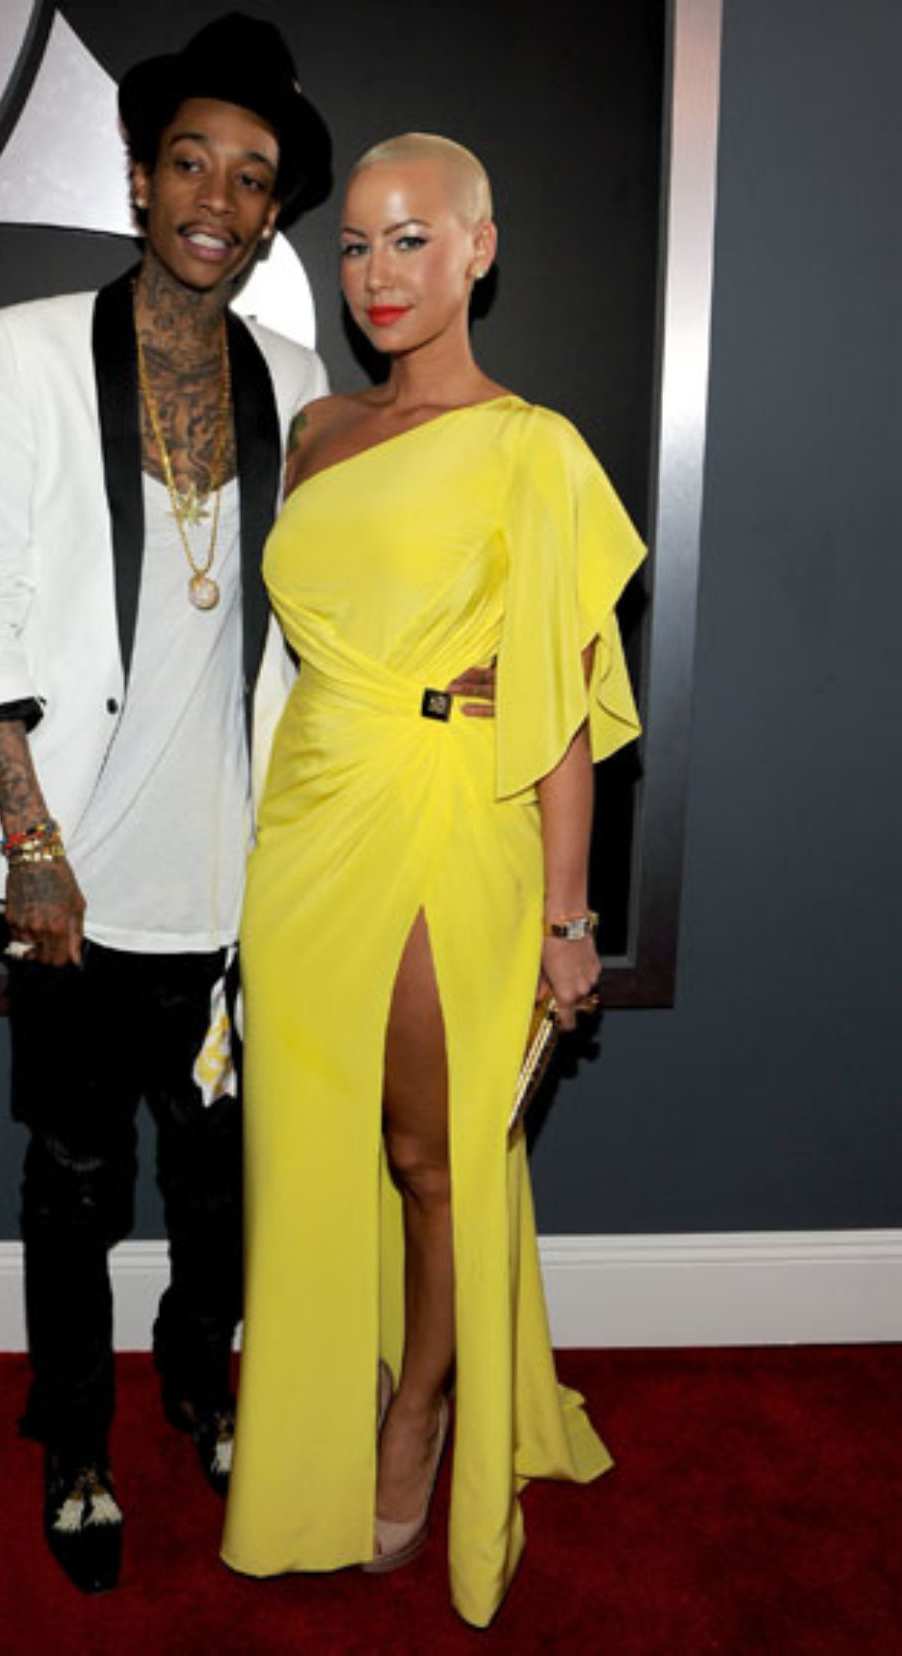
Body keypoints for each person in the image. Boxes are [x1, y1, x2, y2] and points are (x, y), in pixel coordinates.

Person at [0, 14, 336, 1595]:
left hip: (238, 885)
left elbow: (327, 620)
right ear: (141, 177)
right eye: (192, 164)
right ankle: (79, 1443)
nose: (217, 200)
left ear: (273, 211)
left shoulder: (295, 380)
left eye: (252, 177)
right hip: (74, 879)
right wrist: (32, 844)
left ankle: (197, 1384)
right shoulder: (26, 348)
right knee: (75, 1185)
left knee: (220, 1187)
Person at [221, 134, 645, 1628]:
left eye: (412, 240)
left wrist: (568, 917)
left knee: (431, 1155)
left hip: (447, 826)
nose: (378, 273)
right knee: (305, 1143)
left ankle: (419, 1418)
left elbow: (564, 710)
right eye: (355, 244)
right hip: (307, 831)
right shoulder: (317, 429)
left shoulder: (535, 448)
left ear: (479, 249)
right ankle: (327, 1391)